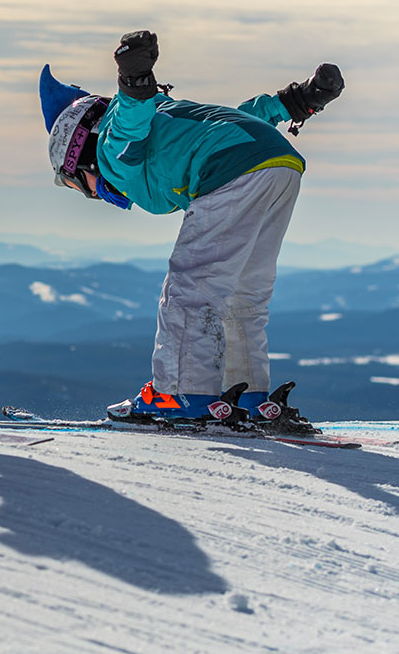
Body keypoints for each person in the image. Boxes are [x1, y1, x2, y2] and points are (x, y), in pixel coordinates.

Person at [41, 30, 344, 431]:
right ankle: (248, 395)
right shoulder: (173, 119)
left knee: (190, 289)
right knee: (242, 295)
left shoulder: (112, 150)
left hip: (229, 172)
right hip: (278, 166)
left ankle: (181, 393)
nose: (91, 193)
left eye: (76, 182)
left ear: (81, 150)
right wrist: (300, 99)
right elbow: (247, 117)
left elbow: (129, 121)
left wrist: (134, 77)